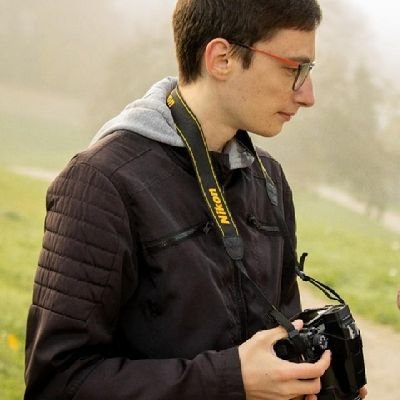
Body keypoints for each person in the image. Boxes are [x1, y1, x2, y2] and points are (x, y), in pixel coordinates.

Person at [24, 1, 366, 399]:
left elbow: (275, 340)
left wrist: (305, 382)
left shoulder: (268, 178)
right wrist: (228, 380)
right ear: (221, 59)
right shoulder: (102, 182)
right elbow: (58, 382)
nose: (308, 95)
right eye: (293, 69)